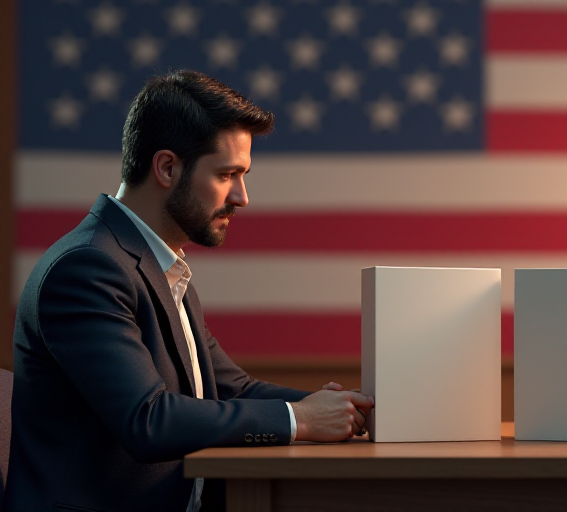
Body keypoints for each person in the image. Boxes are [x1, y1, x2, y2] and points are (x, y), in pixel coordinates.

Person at [5, 71, 374, 512]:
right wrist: (300, 419)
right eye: (227, 174)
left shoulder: (158, 266)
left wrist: (334, 407)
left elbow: (232, 390)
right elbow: (148, 420)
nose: (242, 197)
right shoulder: (87, 269)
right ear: (166, 168)